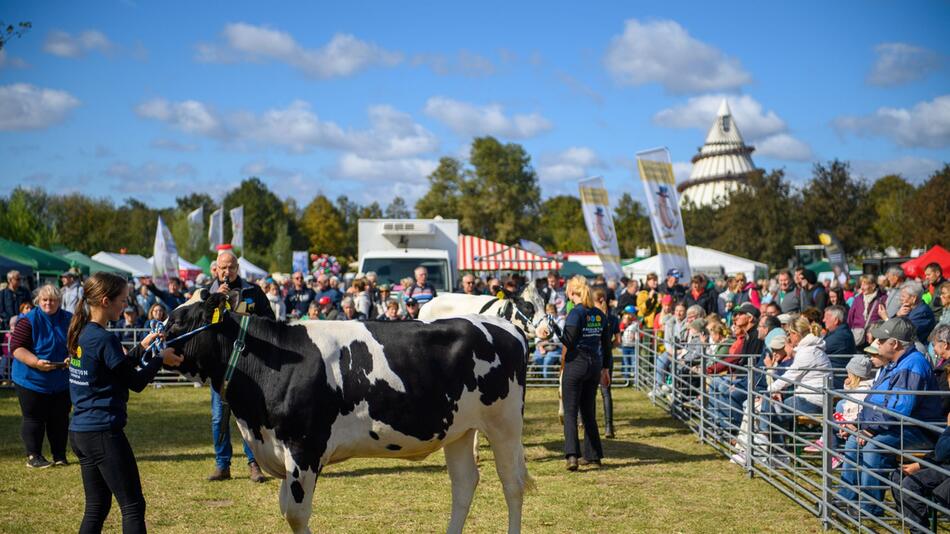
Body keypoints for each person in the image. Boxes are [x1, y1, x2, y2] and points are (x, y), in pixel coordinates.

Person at [65, 272, 182, 533]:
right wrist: (160, 359)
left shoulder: (83, 333)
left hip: (81, 432)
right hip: (102, 432)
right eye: (122, 300)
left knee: (96, 507)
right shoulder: (105, 339)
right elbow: (136, 382)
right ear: (106, 301)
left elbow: (118, 369)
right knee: (132, 506)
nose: (125, 305)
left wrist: (142, 347)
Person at [837, 317, 945, 517]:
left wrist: (870, 428)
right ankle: (847, 497)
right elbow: (874, 402)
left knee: (874, 445)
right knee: (855, 439)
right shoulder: (894, 364)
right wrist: (859, 424)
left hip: (919, 430)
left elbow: (899, 409)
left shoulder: (912, 365)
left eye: (880, 341)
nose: (877, 344)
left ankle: (870, 507)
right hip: (898, 426)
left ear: (894, 343)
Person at [207, 250, 273, 483]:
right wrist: (216, 300)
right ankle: (222, 464)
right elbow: (204, 324)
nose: (227, 272)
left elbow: (268, 319)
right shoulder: (207, 291)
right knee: (219, 417)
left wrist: (239, 309)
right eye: (223, 268)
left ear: (237, 268)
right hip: (220, 364)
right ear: (216, 269)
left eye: (231, 267)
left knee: (248, 415)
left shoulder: (252, 291)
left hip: (247, 364)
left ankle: (254, 464)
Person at [9, 285, 72, 468]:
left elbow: (77, 343)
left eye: (52, 300)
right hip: (31, 379)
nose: (48, 303)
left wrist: (73, 355)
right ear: (38, 301)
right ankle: (34, 456)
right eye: (44, 300)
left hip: (60, 379)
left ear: (59, 301)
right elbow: (17, 348)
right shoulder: (28, 320)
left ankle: (60, 456)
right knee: (34, 418)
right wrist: (36, 362)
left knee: (60, 418)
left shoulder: (69, 318)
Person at [557, 276, 612, 471]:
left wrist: (556, 330)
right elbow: (606, 345)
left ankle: (572, 455)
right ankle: (594, 456)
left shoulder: (575, 313)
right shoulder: (599, 314)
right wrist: (606, 368)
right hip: (594, 365)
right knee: (589, 412)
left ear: (572, 293)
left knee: (571, 411)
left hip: (576, 364)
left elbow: (569, 341)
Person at [890, 417, 949, 534]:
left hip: (945, 466)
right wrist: (920, 465)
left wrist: (949, 428)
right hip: (941, 461)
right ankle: (912, 522)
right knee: (897, 475)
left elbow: (943, 451)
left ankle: (919, 531)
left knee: (910, 484)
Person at [593, 287, 620, 438]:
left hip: (592, 357)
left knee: (588, 392)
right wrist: (609, 346)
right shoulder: (613, 318)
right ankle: (609, 427)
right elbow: (618, 340)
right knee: (606, 392)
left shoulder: (591, 317)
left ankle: (583, 421)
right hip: (607, 358)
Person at [847, 274, 887, 348]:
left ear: (873, 286)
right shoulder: (857, 299)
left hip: (875, 337)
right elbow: (850, 318)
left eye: (865, 285)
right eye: (861, 285)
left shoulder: (882, 299)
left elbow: (884, 318)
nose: (862, 287)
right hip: (858, 337)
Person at [822, 305, 856, 389]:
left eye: (826, 317)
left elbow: (818, 348)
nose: (823, 320)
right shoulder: (838, 332)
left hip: (837, 378)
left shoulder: (841, 335)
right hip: (832, 375)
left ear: (836, 320)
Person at [532, 304, 563, 380]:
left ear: (555, 311)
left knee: (547, 359)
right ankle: (545, 375)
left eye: (552, 311)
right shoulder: (542, 320)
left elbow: (557, 338)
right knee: (537, 357)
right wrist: (541, 347)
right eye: (548, 312)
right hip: (542, 346)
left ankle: (548, 379)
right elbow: (537, 337)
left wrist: (544, 343)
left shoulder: (560, 320)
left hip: (555, 347)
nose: (550, 314)